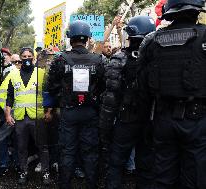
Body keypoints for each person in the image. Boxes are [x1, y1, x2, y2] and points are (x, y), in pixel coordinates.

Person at [137, 1, 206, 188]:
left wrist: (147, 122)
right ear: (196, 11)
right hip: (196, 120)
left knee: (163, 177)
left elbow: (142, 86)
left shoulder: (153, 41)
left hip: (163, 118)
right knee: (194, 179)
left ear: (170, 13)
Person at [46, 20, 106, 189]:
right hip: (90, 112)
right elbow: (104, 86)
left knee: (67, 151)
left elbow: (51, 87)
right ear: (87, 38)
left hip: (69, 112)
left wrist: (64, 96)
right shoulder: (98, 60)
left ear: (70, 38)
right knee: (90, 152)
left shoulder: (60, 60)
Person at [100, 15, 156, 189]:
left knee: (116, 165)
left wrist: (105, 129)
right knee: (146, 167)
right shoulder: (157, 60)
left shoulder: (118, 59)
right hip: (150, 122)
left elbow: (110, 101)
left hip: (126, 121)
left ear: (130, 36)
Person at [5, 47, 51, 185]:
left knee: (42, 146)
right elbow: (10, 97)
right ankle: (23, 172)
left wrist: (49, 111)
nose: (26, 58)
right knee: (21, 147)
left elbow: (49, 93)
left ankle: (46, 173)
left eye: (29, 56)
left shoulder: (41, 73)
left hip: (38, 117)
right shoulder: (13, 75)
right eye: (24, 56)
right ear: (20, 58)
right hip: (20, 118)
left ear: (33, 57)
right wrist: (8, 114)